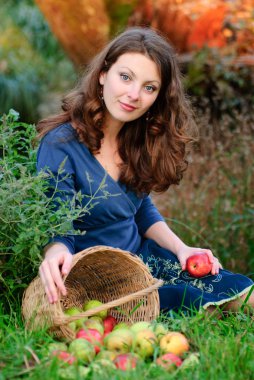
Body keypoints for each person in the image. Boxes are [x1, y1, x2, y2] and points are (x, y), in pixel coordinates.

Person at [37, 27, 253, 314]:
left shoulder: (137, 140)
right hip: (102, 281)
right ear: (103, 74)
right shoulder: (61, 144)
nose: (134, 95)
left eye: (149, 87)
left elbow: (140, 211)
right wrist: (56, 252)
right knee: (199, 306)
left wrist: (182, 249)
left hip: (146, 260)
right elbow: (57, 223)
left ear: (158, 96)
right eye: (125, 77)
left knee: (243, 291)